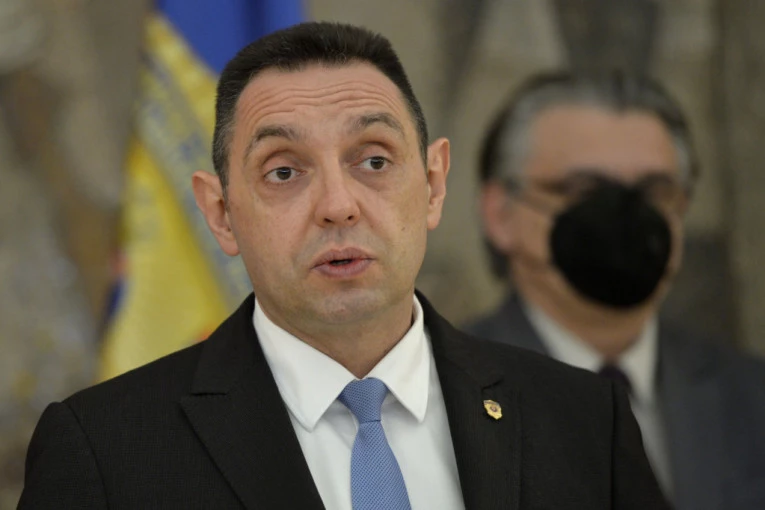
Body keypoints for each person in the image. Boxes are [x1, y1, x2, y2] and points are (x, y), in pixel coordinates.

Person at [19, 24, 669, 509]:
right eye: (283, 172)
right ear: (220, 213)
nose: (337, 205)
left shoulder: (584, 419)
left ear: (434, 184)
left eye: (374, 160)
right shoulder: (103, 452)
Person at [467, 71, 765, 510]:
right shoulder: (448, 394)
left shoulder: (752, 395)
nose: (624, 218)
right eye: (585, 191)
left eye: (654, 193)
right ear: (500, 213)